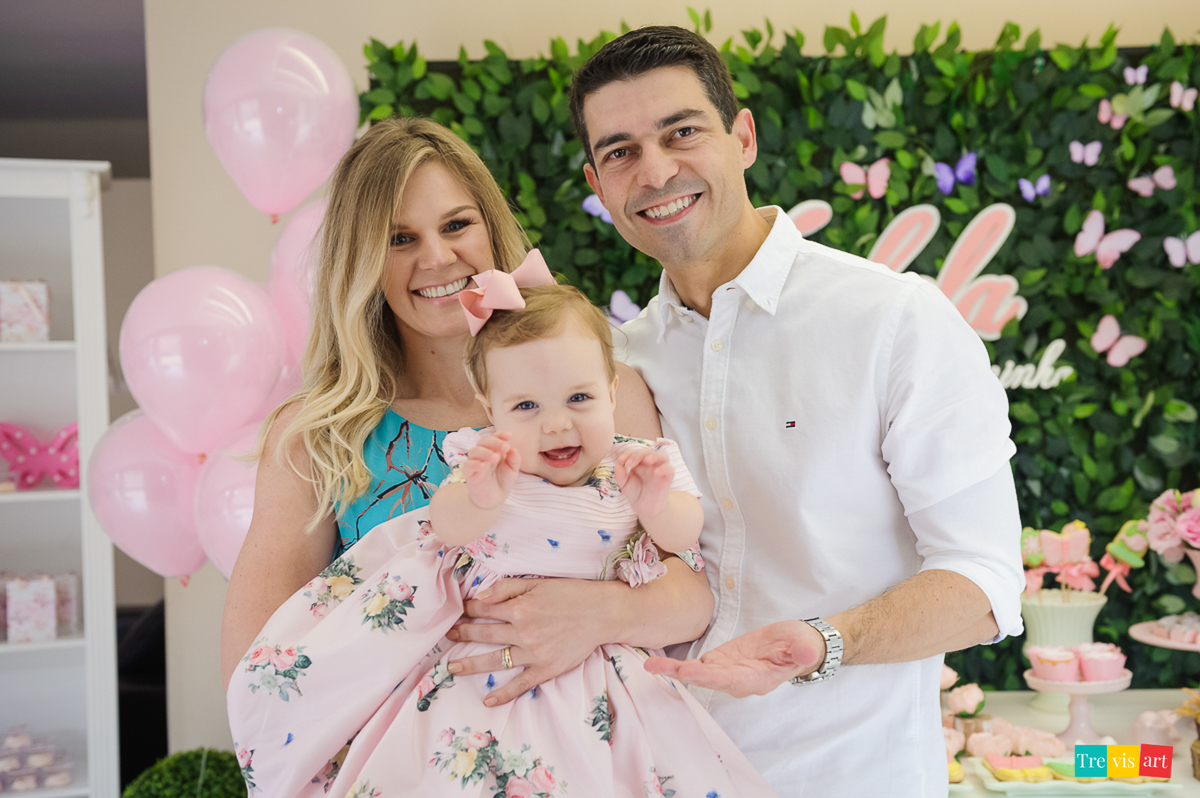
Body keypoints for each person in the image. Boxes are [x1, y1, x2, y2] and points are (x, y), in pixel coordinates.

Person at [531, 25, 1019, 796]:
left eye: (681, 132)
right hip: (660, 772)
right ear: (598, 184)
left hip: (853, 777)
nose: (655, 170)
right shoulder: (616, 365)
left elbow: (985, 586)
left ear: (744, 135)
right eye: (621, 152)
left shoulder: (895, 320)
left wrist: (824, 641)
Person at [220, 117, 715, 707]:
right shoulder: (318, 438)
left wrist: (596, 614)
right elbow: (255, 669)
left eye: (457, 224)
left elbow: (689, 593)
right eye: (399, 238)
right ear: (361, 261)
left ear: (491, 229)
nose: (436, 258)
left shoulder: (606, 395)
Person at [225, 278, 778, 797]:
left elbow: (684, 539)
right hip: (478, 666)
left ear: (612, 390)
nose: (557, 423)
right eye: (526, 407)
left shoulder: (639, 463)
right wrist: (482, 495)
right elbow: (446, 526)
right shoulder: (488, 461)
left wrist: (654, 504)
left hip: (602, 667)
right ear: (492, 411)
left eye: (579, 399)